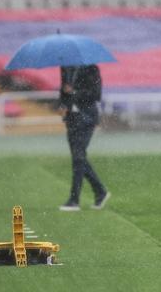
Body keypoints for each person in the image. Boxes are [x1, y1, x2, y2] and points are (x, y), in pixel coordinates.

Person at [58, 64, 110, 212]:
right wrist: (62, 104)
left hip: (87, 118)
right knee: (78, 158)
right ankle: (100, 191)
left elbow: (96, 94)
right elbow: (63, 90)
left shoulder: (91, 68)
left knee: (78, 157)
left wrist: (74, 92)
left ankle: (74, 200)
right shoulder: (65, 67)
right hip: (71, 119)